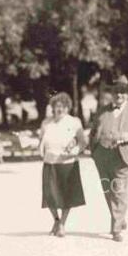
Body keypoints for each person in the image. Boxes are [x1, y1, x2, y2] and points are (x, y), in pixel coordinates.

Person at [89, 76, 128, 242]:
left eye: (123, 92)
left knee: (120, 192)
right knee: (108, 191)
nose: (119, 95)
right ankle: (119, 217)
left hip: (124, 157)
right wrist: (94, 151)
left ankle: (116, 228)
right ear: (112, 93)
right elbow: (93, 131)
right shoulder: (102, 110)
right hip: (103, 155)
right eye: (116, 91)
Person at [39, 92, 88, 237]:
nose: (60, 109)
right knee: (50, 196)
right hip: (49, 162)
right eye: (56, 106)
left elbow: (83, 142)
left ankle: (62, 224)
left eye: (63, 106)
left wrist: (75, 151)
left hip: (68, 163)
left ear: (68, 108)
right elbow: (41, 141)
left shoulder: (74, 122)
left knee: (67, 196)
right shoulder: (46, 123)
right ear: (52, 108)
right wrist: (40, 151)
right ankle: (56, 219)